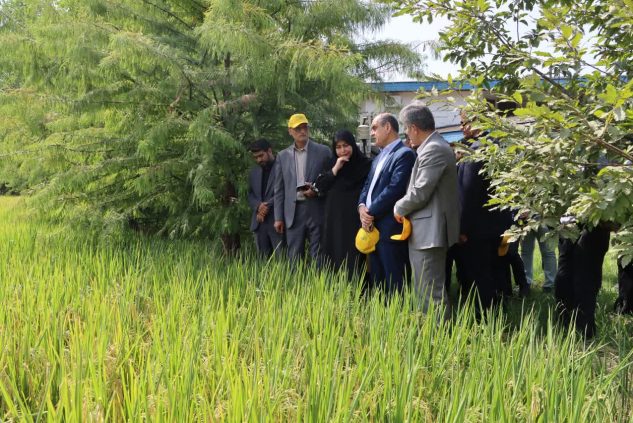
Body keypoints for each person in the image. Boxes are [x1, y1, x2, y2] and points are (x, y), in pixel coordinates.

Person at [393, 102, 460, 317]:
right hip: (426, 232)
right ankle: (428, 329)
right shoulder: (433, 146)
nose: (406, 134)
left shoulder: (433, 149)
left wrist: (398, 207)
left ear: (414, 128)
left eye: (406, 128)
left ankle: (439, 333)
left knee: (431, 292)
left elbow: (420, 192)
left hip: (430, 233)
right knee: (424, 289)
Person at [456, 112, 513, 313]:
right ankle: (500, 313)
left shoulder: (476, 151)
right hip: (498, 224)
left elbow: (468, 194)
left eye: (464, 122)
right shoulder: (499, 146)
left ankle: (484, 319)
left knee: (480, 277)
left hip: (477, 230)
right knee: (496, 273)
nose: (461, 127)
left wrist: (462, 229)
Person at [358, 113, 416, 293]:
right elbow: (367, 185)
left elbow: (394, 189)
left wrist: (370, 213)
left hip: (390, 228)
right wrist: (361, 207)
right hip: (372, 227)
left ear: (388, 127)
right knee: (377, 281)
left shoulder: (404, 154)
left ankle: (397, 312)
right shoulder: (379, 156)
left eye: (375, 128)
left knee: (394, 281)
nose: (372, 133)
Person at [314, 130, 372, 277]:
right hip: (333, 220)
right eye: (338, 147)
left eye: (345, 146)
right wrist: (335, 169)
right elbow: (319, 187)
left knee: (354, 255)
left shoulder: (364, 164)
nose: (342, 151)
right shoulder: (330, 163)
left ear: (352, 144)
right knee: (333, 254)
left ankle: (357, 287)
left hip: (354, 219)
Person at [274, 113, 332, 260]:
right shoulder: (282, 156)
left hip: (316, 208)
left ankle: (319, 276)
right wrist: (278, 218)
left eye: (305, 127)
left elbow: (330, 181)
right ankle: (296, 276)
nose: (302, 131)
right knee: (294, 256)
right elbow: (279, 189)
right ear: (290, 131)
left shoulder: (323, 151)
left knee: (318, 255)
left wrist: (317, 192)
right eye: (298, 128)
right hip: (293, 211)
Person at [555, 223, 611, 339]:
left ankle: (582, 330)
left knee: (584, 277)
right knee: (567, 276)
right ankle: (568, 325)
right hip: (570, 224)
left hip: (592, 224)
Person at [247, 138, 283, 257]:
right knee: (262, 262)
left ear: (269, 151)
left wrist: (266, 206)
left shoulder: (282, 167)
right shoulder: (254, 172)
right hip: (259, 223)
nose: (259, 160)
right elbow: (250, 194)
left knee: (282, 260)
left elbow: (285, 191)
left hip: (277, 221)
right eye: (256, 157)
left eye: (261, 156)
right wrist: (258, 206)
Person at [520, 224, 557, 292]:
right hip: (542, 221)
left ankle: (526, 283)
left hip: (526, 221)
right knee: (548, 253)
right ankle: (550, 284)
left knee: (525, 253)